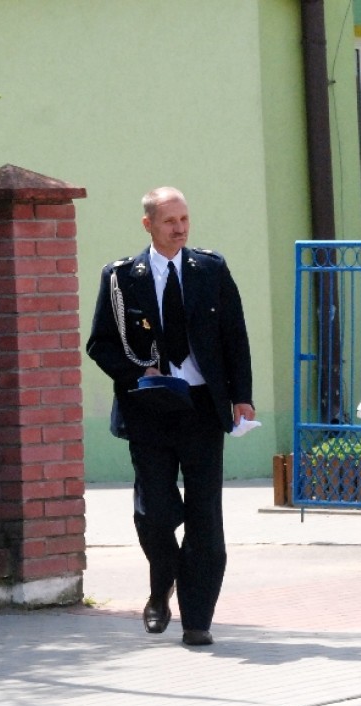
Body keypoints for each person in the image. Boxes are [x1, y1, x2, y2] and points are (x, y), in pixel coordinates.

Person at [86, 187, 254, 647]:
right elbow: (100, 343)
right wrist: (139, 371)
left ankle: (197, 620)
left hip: (202, 407)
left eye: (184, 219)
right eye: (169, 221)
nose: (180, 229)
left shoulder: (210, 269)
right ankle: (162, 584)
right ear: (148, 225)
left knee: (205, 517)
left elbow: (234, 336)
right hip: (150, 406)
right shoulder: (121, 278)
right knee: (155, 513)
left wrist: (242, 397)